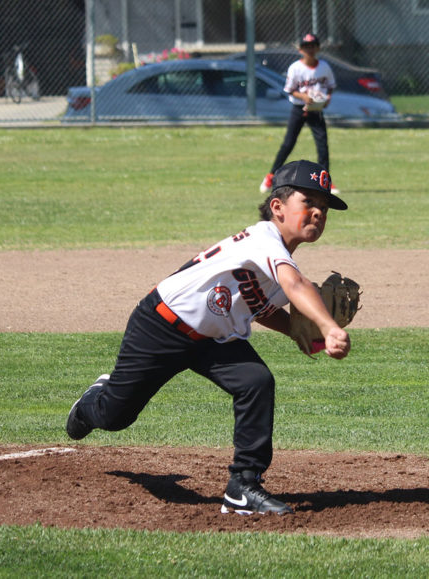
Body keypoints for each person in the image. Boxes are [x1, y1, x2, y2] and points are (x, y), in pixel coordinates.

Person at [66, 159, 351, 515]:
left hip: (214, 340)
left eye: (324, 207)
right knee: (115, 416)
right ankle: (93, 399)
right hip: (162, 325)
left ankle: (243, 485)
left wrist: (303, 335)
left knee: (256, 382)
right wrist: (329, 327)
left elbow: (263, 308)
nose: (318, 213)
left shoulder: (280, 260)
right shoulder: (265, 240)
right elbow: (296, 284)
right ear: (277, 207)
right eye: (308, 202)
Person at [259, 34, 339, 196]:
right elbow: (290, 89)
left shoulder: (324, 67)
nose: (309, 49)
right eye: (306, 46)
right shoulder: (296, 67)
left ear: (318, 48)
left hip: (316, 110)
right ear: (300, 49)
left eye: (312, 46)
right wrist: (304, 97)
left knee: (322, 145)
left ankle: (325, 181)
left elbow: (330, 86)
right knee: (288, 144)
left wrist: (327, 98)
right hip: (299, 109)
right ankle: (271, 176)